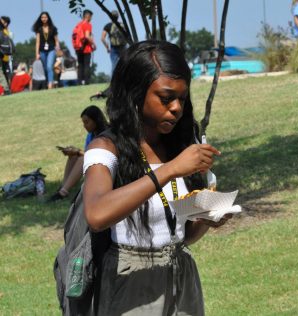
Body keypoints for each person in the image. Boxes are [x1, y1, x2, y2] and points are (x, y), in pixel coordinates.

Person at [82, 40, 231, 314]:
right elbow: (96, 213)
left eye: (182, 99)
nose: (176, 108)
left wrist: (210, 218)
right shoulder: (105, 148)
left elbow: (181, 236)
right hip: (131, 283)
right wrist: (171, 169)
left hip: (181, 274)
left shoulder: (179, 145)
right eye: (165, 98)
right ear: (136, 95)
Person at [48, 105, 108, 202]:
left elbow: (98, 155)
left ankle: (63, 192)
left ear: (96, 120)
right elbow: (88, 152)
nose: (85, 126)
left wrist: (77, 151)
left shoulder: (106, 134)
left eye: (87, 122)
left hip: (104, 166)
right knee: (75, 155)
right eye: (83, 123)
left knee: (82, 158)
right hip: (94, 164)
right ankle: (64, 186)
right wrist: (73, 152)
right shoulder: (91, 135)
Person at [32, 12, 60, 90]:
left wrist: (58, 49)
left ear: (48, 18)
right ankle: (48, 82)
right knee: (45, 68)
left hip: (51, 49)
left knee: (49, 66)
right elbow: (37, 42)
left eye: (45, 17)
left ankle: (50, 84)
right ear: (40, 19)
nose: (44, 19)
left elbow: (57, 41)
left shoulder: (53, 28)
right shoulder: (39, 29)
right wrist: (37, 53)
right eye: (42, 17)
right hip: (42, 51)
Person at [101, 10, 128, 75]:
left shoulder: (108, 26)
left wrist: (107, 48)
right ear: (118, 16)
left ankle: (114, 80)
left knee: (114, 65)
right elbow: (128, 36)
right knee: (126, 63)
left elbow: (102, 38)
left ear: (110, 17)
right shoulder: (122, 25)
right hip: (124, 46)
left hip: (114, 48)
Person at [74, 9, 96, 85]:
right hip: (86, 48)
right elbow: (87, 36)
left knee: (80, 65)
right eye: (91, 17)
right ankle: (87, 82)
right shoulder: (87, 24)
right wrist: (94, 44)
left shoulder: (78, 25)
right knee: (87, 65)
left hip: (78, 48)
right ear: (88, 16)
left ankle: (79, 82)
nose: (91, 19)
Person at [1, 16, 12, 84]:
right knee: (5, 73)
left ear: (5, 23)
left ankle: (7, 89)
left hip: (4, 57)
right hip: (4, 57)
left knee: (6, 74)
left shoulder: (5, 31)